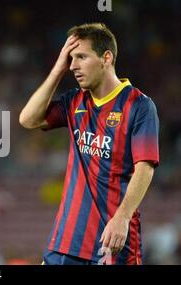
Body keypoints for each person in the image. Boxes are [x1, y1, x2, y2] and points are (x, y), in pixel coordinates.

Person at [19, 23, 159, 265]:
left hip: (113, 241)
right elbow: (28, 119)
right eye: (71, 58)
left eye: (81, 57)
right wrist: (58, 69)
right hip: (66, 241)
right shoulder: (74, 101)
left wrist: (122, 217)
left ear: (106, 58)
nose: (73, 66)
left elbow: (144, 168)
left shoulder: (139, 106)